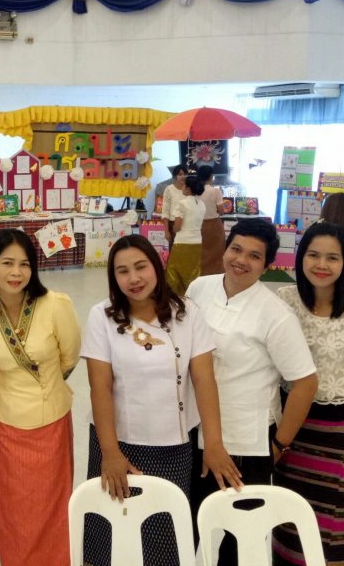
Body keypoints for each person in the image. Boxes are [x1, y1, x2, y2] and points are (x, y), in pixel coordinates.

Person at [82, 234, 240, 566]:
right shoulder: (102, 317)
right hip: (118, 443)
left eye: (141, 267)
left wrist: (214, 443)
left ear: (157, 266)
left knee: (165, 536)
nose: (134, 278)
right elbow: (100, 387)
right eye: (123, 271)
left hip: (173, 445)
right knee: (113, 533)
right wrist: (110, 452)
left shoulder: (187, 313)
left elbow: (204, 379)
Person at [185, 218, 318, 566]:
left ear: (267, 265)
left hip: (246, 444)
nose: (241, 260)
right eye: (236, 249)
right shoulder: (199, 288)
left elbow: (305, 382)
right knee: (189, 529)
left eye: (254, 256)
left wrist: (279, 445)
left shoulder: (275, 315)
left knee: (239, 541)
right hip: (194, 432)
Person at [272, 221, 344, 566]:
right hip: (291, 430)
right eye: (313, 255)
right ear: (301, 258)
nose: (321, 265)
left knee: (335, 530)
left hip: (340, 435)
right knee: (289, 519)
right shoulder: (284, 301)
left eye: (332, 258)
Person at [0, 229, 82, 566]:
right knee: (12, 507)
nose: (16, 273)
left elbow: (70, 357)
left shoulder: (56, 305)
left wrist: (44, 388)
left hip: (51, 420)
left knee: (52, 505)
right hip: (4, 424)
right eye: (7, 263)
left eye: (24, 264)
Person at [164, 174, 205, 297]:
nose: (182, 187)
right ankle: (192, 296)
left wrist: (172, 229)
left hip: (182, 242)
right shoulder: (202, 204)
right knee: (193, 272)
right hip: (197, 243)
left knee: (174, 271)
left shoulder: (182, 203)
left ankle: (175, 298)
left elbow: (177, 227)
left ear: (188, 188)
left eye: (184, 185)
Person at [196, 165, 226, 276]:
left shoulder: (195, 191)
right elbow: (221, 211)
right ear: (211, 176)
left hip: (197, 225)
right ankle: (215, 276)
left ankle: (200, 274)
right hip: (214, 225)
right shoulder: (215, 191)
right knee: (217, 251)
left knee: (200, 251)